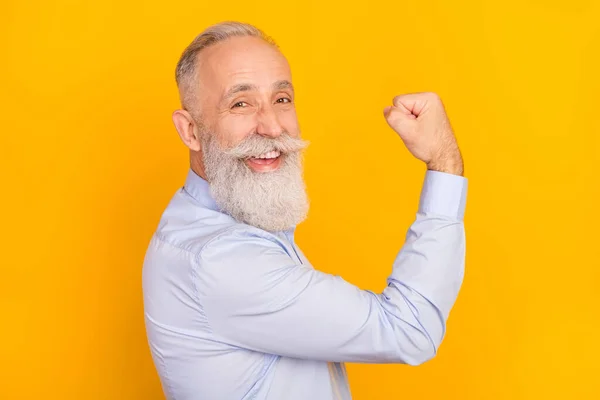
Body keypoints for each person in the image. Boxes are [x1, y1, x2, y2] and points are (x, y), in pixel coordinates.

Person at [142, 21, 468, 400]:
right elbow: (410, 329)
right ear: (190, 131)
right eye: (240, 104)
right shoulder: (221, 260)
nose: (272, 126)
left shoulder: (206, 218)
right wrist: (444, 162)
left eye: (281, 99)